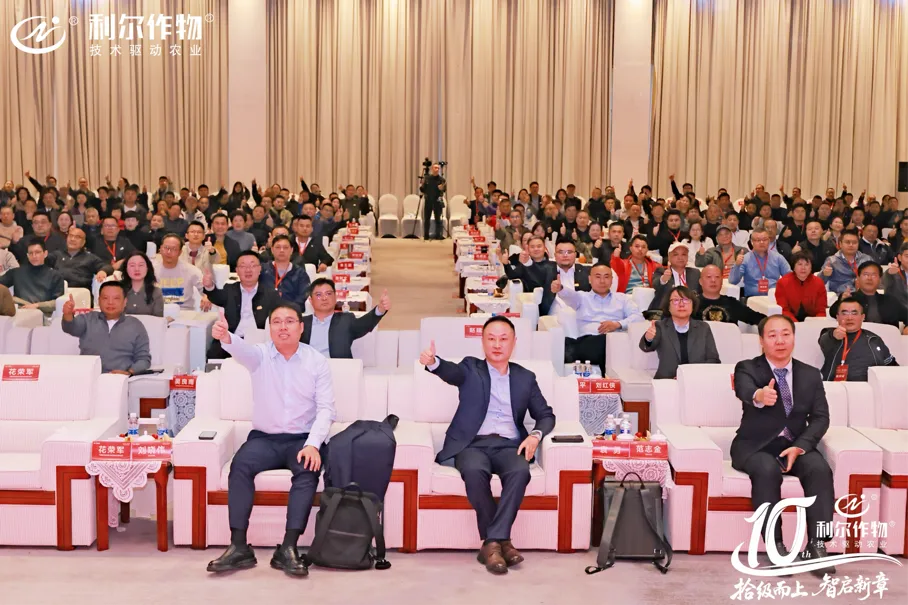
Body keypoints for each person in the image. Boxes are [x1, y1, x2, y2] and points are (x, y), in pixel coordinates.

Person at [206, 303, 336, 576]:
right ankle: (239, 546)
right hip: (264, 439)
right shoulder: (260, 356)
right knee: (240, 465)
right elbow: (242, 350)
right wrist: (227, 337)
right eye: (276, 322)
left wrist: (313, 444)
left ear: (301, 327)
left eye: (290, 321)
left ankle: (288, 548)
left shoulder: (316, 361)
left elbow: (326, 409)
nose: (283, 327)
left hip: (302, 439)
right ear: (269, 328)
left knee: (308, 470)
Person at [418, 316, 555, 574]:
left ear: (514, 342)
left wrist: (535, 435)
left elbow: (546, 415)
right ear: (482, 342)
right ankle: (501, 543)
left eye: (503, 339)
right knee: (473, 471)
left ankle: (492, 544)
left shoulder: (525, 377)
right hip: (472, 444)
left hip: (509, 445)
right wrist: (434, 363)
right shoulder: (471, 368)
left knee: (520, 471)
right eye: (491, 339)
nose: (497, 345)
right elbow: (451, 372)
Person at [732, 315, 834, 574]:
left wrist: (800, 447)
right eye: (772, 335)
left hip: (795, 445)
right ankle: (775, 545)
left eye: (786, 334)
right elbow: (744, 389)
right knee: (767, 470)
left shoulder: (810, 374)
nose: (780, 341)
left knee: (820, 469)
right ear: (761, 341)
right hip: (756, 446)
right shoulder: (748, 368)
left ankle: (817, 545)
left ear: (794, 338)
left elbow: (821, 418)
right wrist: (759, 395)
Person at [553, 262, 644, 375]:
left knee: (611, 342)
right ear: (589, 279)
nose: (602, 281)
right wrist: (561, 288)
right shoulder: (582, 297)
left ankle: (573, 350)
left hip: (615, 343)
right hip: (589, 343)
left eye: (606, 277)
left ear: (612, 280)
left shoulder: (623, 299)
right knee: (605, 342)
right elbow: (569, 295)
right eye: (598, 277)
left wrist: (617, 324)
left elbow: (639, 317)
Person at [61, 282, 151, 375]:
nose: (110, 302)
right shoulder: (88, 319)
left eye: (116, 298)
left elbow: (143, 359)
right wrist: (68, 314)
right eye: (105, 298)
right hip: (87, 376)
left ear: (125, 302)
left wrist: (128, 372)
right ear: (98, 300)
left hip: (120, 379)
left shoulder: (135, 325)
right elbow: (70, 327)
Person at [204, 251, 282, 359]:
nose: (248, 270)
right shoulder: (229, 289)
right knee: (213, 355)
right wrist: (209, 286)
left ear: (260, 269)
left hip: (259, 343)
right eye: (243, 266)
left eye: (252, 265)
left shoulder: (271, 294)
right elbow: (216, 297)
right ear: (236, 271)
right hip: (232, 339)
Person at [639, 286, 720, 379]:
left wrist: (692, 375)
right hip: (667, 381)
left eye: (686, 300)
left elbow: (714, 360)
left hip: (696, 380)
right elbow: (646, 347)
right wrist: (648, 339)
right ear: (668, 307)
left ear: (693, 305)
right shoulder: (660, 326)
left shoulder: (703, 328)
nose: (681, 304)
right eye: (676, 300)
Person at [301, 278, 390, 358]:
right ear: (311, 300)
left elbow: (364, 324)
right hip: (308, 369)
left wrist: (380, 309)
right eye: (318, 295)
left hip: (339, 368)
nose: (324, 298)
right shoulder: (301, 323)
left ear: (335, 297)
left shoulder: (345, 320)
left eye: (328, 293)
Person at [820, 294, 897, 381]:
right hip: (835, 387)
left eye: (854, 313)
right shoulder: (830, 335)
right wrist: (834, 335)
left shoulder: (873, 339)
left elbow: (892, 367)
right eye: (844, 313)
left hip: (869, 387)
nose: (849, 318)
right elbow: (824, 341)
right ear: (837, 317)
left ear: (862, 317)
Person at [829, 262, 908, 332]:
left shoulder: (890, 301)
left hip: (888, 341)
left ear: (880, 279)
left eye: (874, 275)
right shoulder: (849, 298)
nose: (869, 278)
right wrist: (841, 301)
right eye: (865, 274)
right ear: (858, 278)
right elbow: (833, 312)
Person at [0, 238, 65, 314]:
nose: (34, 256)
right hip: (18, 312)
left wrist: (37, 306)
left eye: (37, 252)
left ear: (45, 254)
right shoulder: (16, 272)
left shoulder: (55, 276)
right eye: (31, 253)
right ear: (27, 255)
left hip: (41, 313)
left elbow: (57, 302)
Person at [728, 227, 791, 297]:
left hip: (774, 297)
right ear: (752, 242)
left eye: (764, 239)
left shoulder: (778, 257)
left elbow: (790, 277)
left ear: (769, 240)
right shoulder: (745, 259)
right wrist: (737, 265)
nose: (762, 242)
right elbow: (733, 281)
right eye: (758, 240)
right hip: (753, 298)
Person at [694, 265, 764, 325]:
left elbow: (757, 318)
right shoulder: (693, 304)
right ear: (700, 281)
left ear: (722, 281)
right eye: (709, 277)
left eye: (717, 277)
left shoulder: (732, 303)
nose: (713, 280)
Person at [153, 234, 206, 311]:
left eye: (174, 249)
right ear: (160, 249)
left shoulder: (192, 270)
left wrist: (207, 297)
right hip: (159, 312)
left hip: (184, 312)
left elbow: (207, 291)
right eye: (166, 248)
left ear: (180, 252)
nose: (169, 252)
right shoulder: (152, 270)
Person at [258, 235, 310, 308]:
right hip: (265, 310)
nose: (281, 250)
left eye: (285, 247)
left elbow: (303, 296)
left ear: (291, 250)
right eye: (278, 247)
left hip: (291, 311)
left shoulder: (300, 273)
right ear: (272, 250)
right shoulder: (262, 269)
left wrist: (290, 309)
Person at [774, 251, 828, 321]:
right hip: (790, 321)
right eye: (800, 264)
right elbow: (784, 309)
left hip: (813, 321)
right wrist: (795, 324)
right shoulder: (783, 282)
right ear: (794, 266)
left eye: (807, 264)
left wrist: (815, 323)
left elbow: (821, 310)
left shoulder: (819, 283)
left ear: (811, 267)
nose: (803, 268)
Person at [649, 242, 701, 312]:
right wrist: (663, 279)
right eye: (676, 254)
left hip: (690, 312)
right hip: (665, 312)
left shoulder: (695, 273)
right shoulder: (661, 271)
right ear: (669, 258)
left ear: (687, 257)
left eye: (684, 254)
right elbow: (655, 284)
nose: (680, 257)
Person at [820, 229, 871, 295]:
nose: (851, 245)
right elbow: (819, 282)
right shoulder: (832, 261)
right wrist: (824, 274)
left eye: (854, 242)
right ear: (840, 244)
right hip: (841, 296)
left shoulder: (866, 259)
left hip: (864, 294)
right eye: (847, 242)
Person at [119, 250, 164, 316]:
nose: (137, 269)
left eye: (141, 265)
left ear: (147, 268)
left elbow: (158, 320)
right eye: (132, 265)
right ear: (126, 269)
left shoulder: (156, 292)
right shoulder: (117, 290)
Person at [882, 243, 908, 308]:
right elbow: (882, 283)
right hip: (898, 311)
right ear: (899, 257)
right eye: (907, 256)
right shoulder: (893, 273)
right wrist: (889, 273)